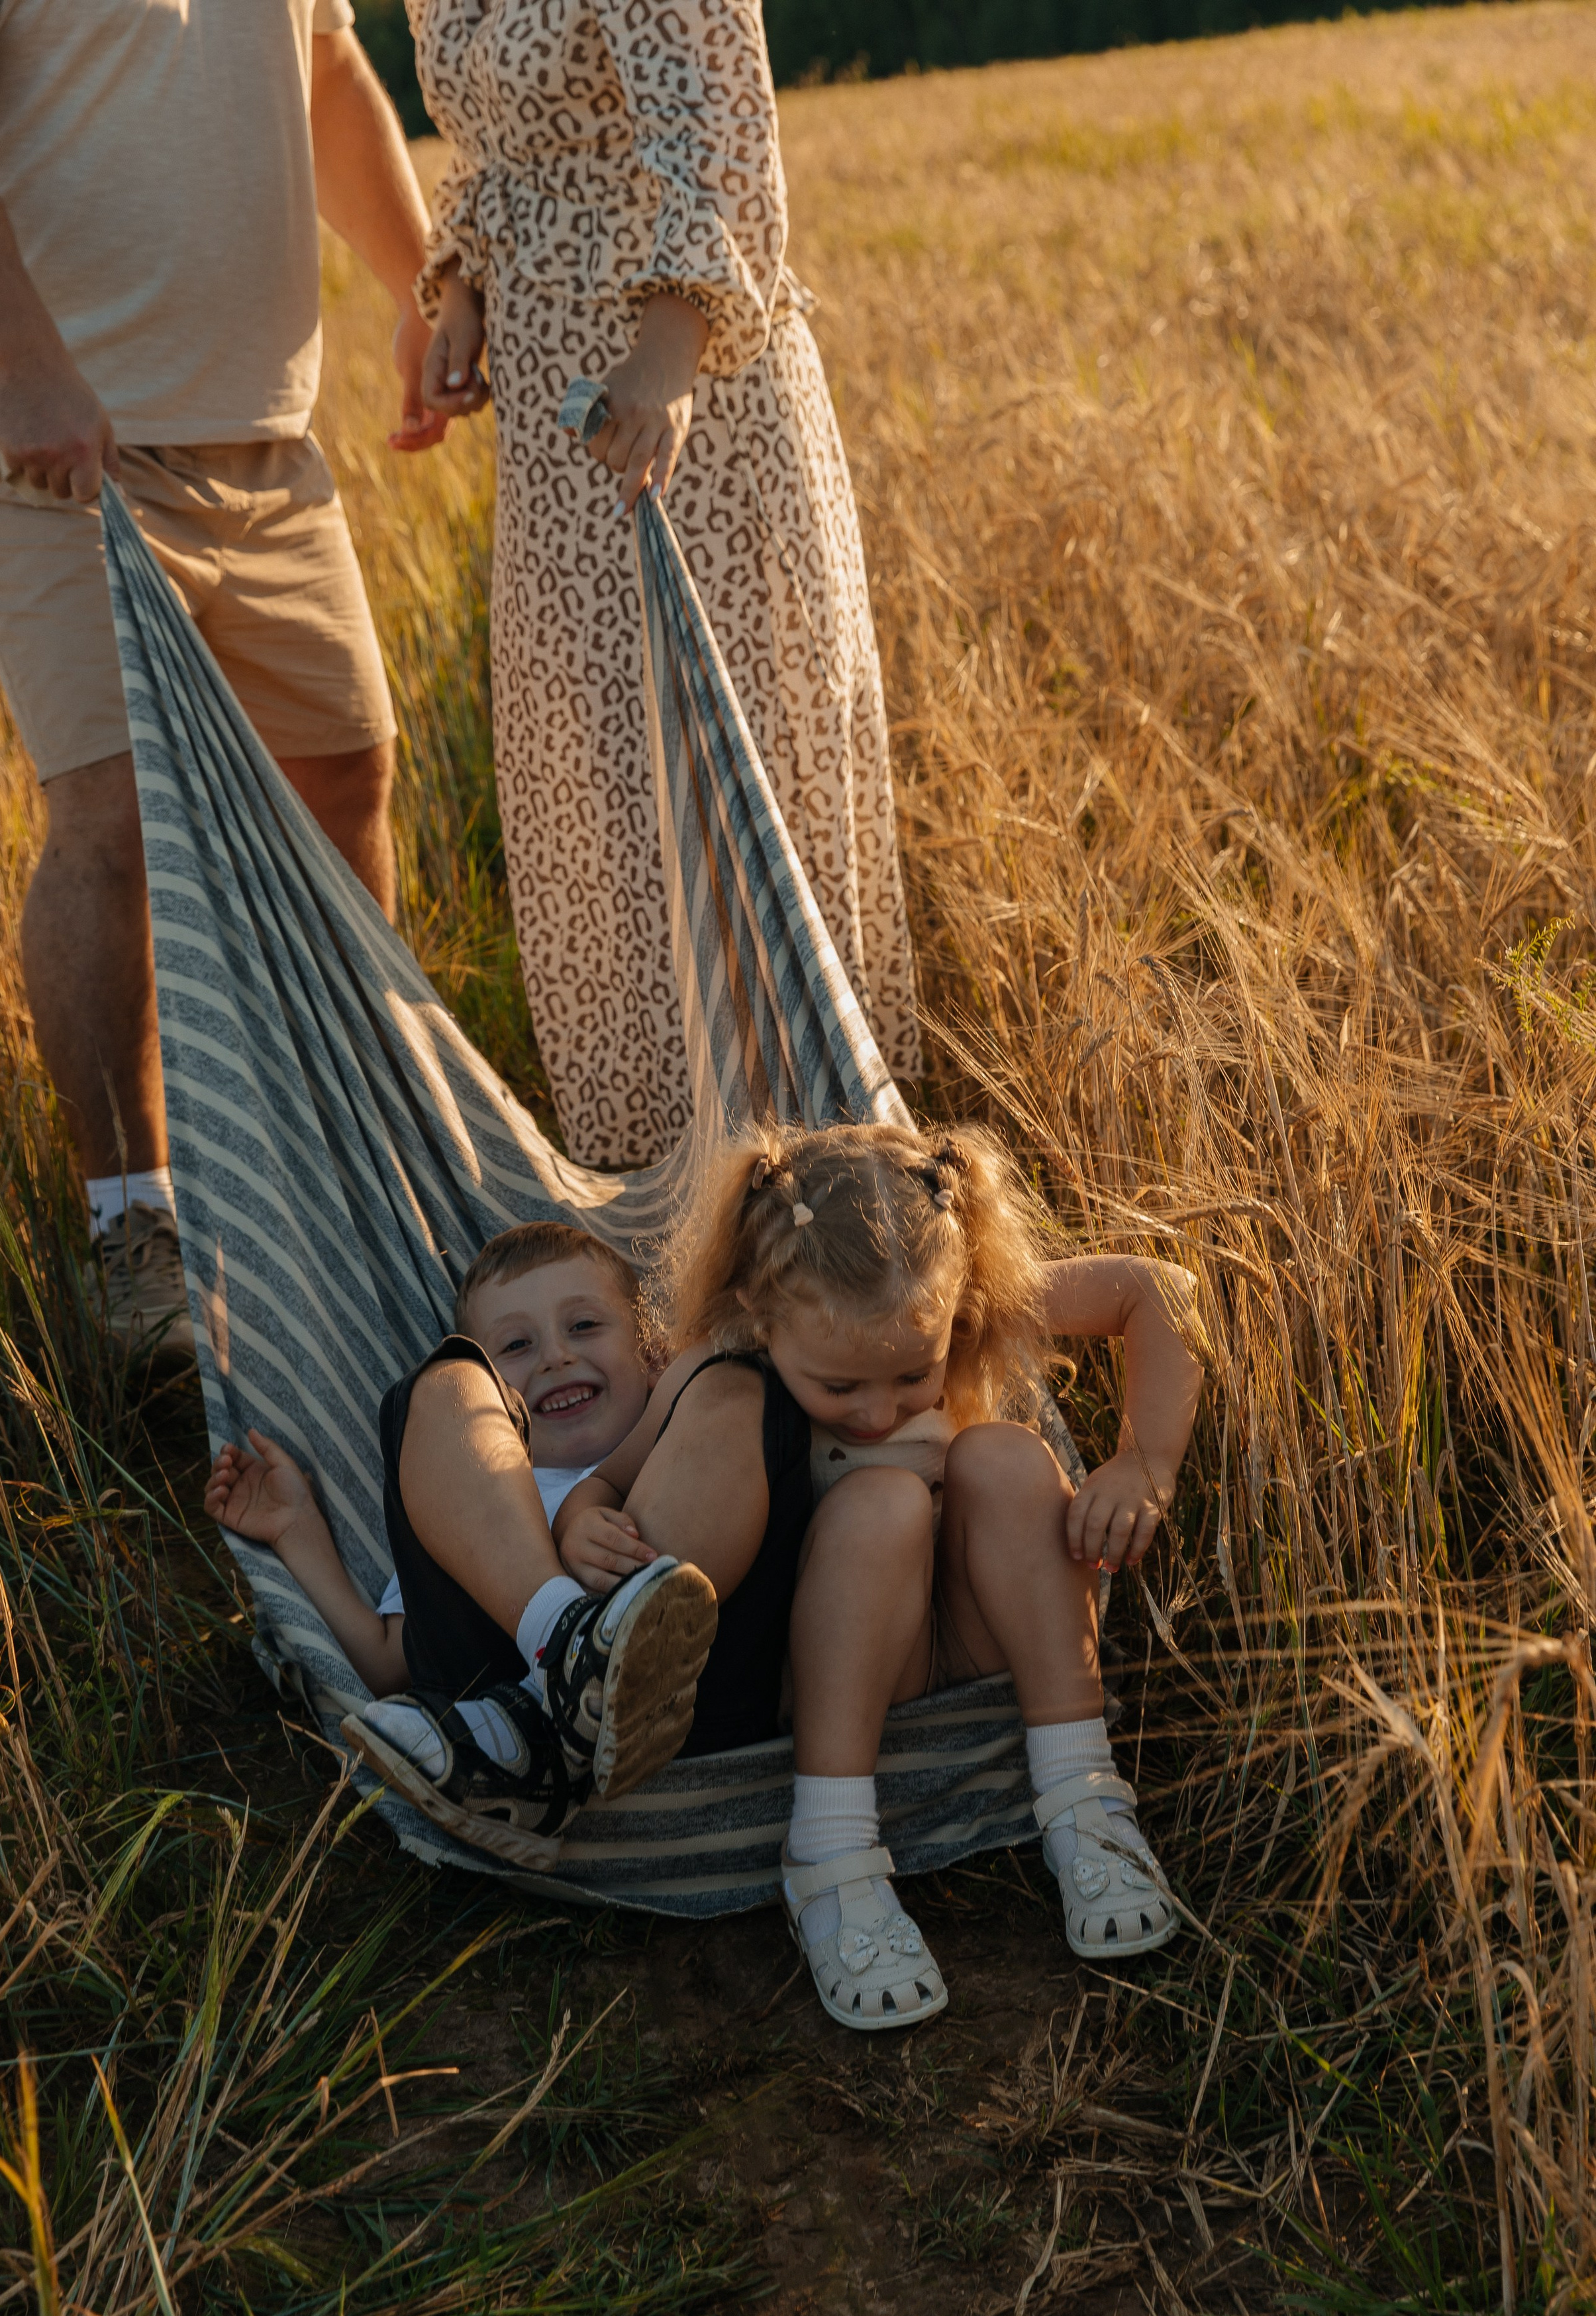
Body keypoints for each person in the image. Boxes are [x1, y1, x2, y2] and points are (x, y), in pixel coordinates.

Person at [0, 2, 450, 1360]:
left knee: (344, 775)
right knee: (116, 815)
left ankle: (355, 1155)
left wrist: (415, 286)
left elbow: (321, 70)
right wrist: (25, 361)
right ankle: (133, 1231)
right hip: (41, 424)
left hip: (257, 419)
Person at [403, 0, 923, 1171]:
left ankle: (831, 1224)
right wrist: (465, 296)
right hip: (556, 433)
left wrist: (670, 350)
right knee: (597, 807)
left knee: (732, 805)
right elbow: (493, 147)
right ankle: (662, 1218)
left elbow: (721, 124)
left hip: (698, 416)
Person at [571, 1121, 1205, 2029]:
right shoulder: (724, 1364)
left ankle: (1085, 1799)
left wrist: (1147, 1463)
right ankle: (828, 1853)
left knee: (1006, 1457)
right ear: (758, 1310)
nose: (878, 1411)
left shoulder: (964, 1305)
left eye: (915, 1374)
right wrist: (585, 1521)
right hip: (858, 1666)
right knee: (884, 1505)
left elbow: (1165, 1291)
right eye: (840, 1388)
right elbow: (607, 1479)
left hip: (989, 1637)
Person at [205, 1221, 723, 1851]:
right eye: (515, 1346)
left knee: (728, 1387)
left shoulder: (679, 1442)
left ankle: (574, 1670)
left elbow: (718, 1364)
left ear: (653, 1355)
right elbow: (387, 1661)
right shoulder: (471, 1487)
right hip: (489, 1688)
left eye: (584, 1326)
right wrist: (298, 1530)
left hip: (676, 1686)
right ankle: (562, 1640)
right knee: (443, 1380)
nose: (556, 1357)